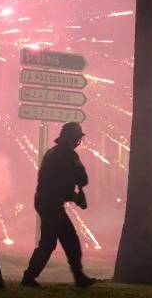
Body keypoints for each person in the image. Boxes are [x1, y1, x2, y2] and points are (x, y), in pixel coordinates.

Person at [22, 122, 97, 289]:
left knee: (68, 240)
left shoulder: (52, 153)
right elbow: (82, 179)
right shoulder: (69, 155)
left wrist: (74, 196)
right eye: (77, 137)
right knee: (51, 243)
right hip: (51, 204)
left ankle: (78, 277)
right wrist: (77, 196)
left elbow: (58, 183)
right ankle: (29, 277)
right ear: (73, 138)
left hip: (46, 202)